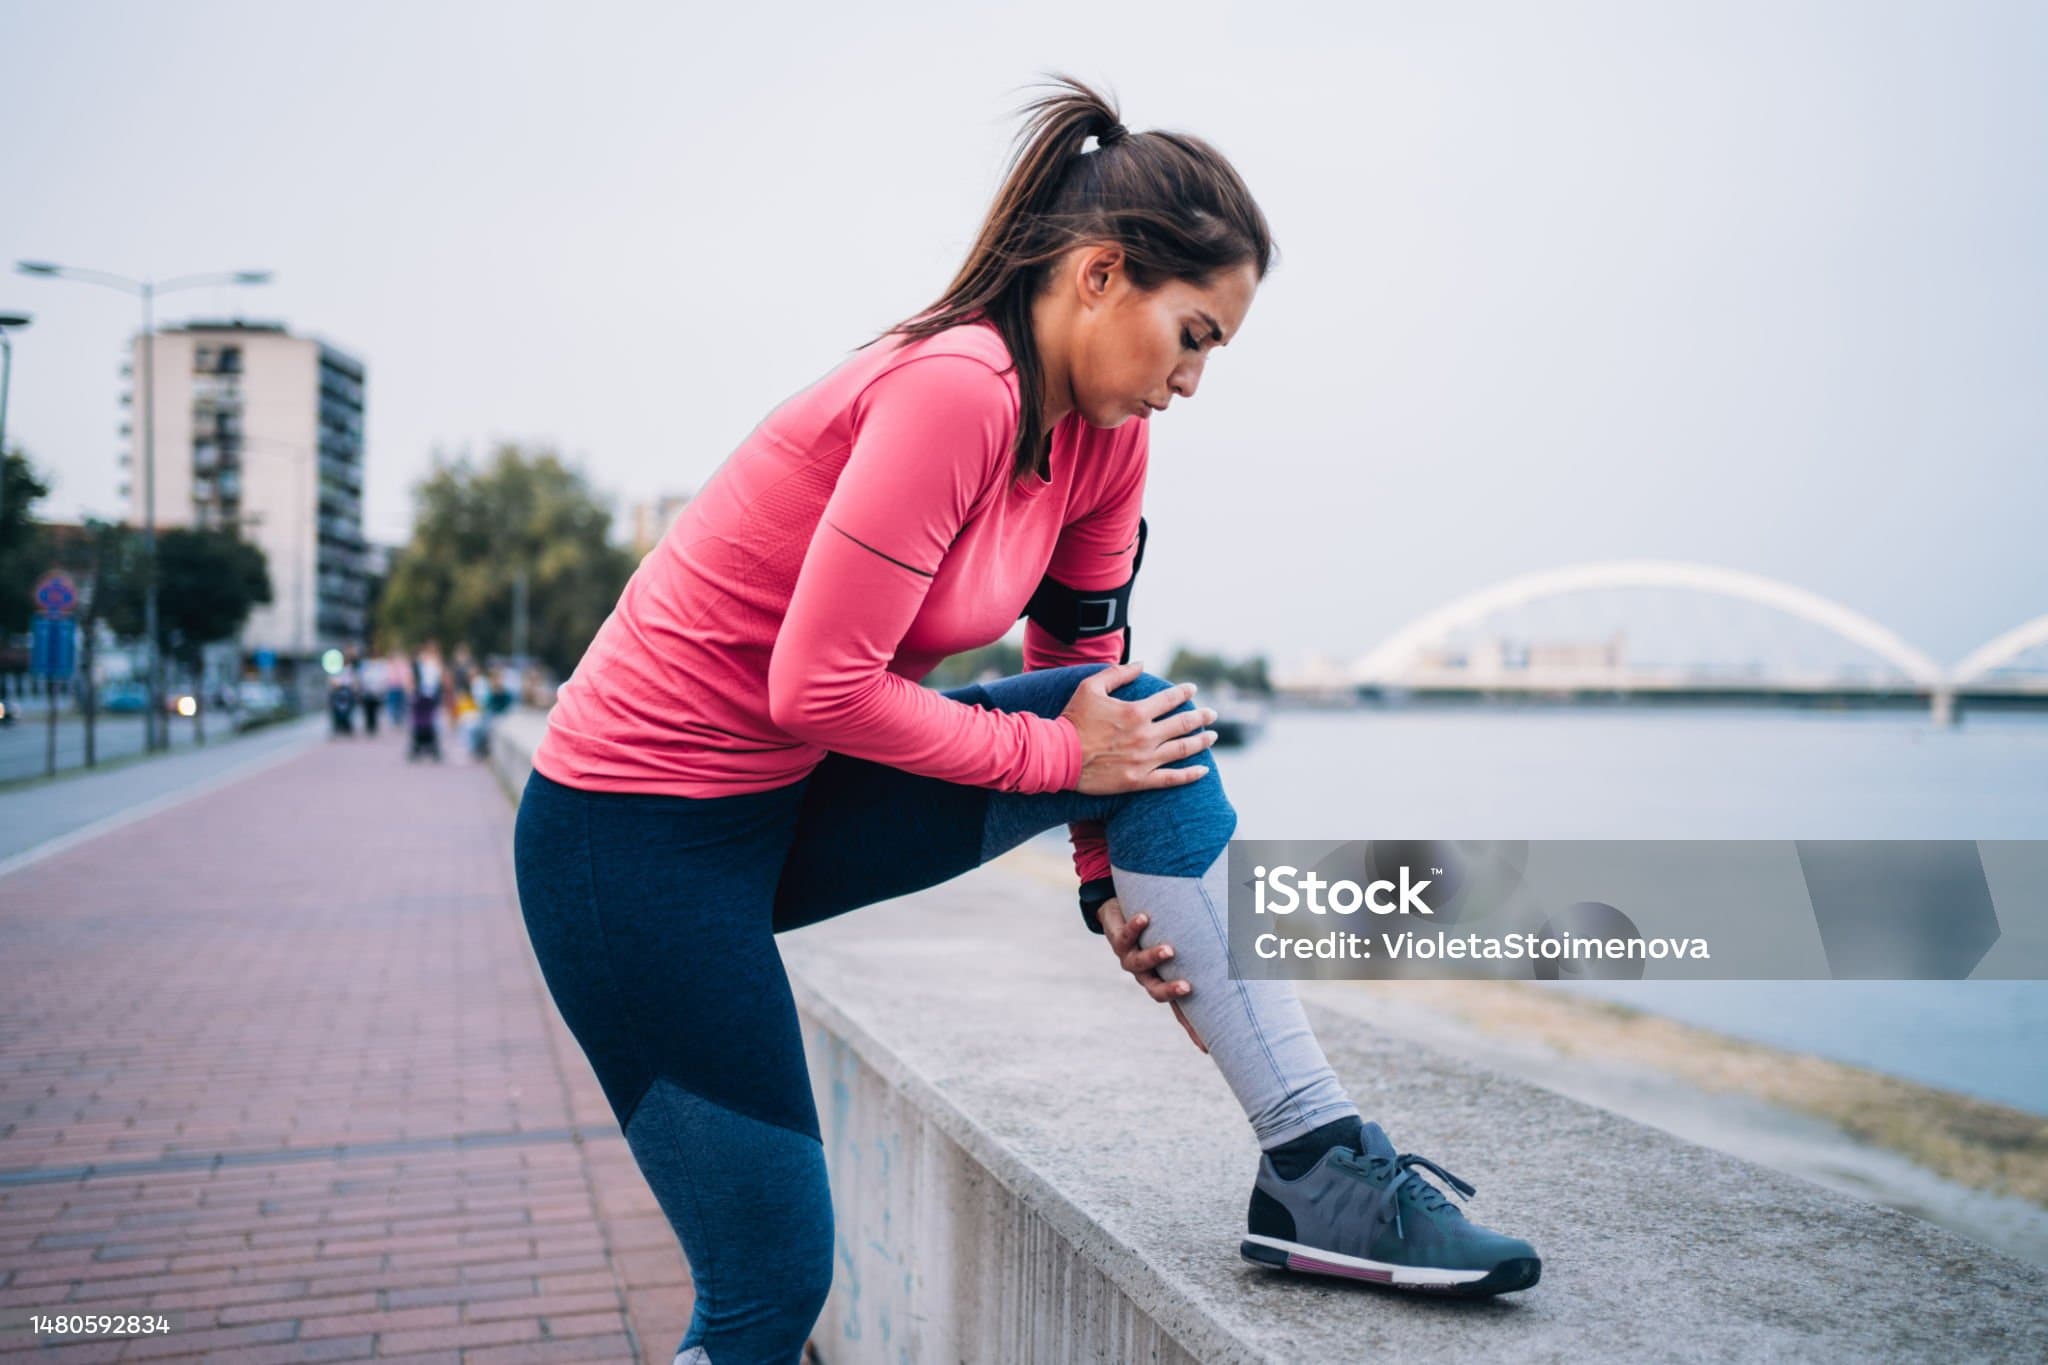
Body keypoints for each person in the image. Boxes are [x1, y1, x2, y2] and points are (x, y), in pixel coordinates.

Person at [512, 77, 1539, 1364]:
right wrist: (1063, 758)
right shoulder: (956, 389)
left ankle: (1315, 1172)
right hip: (630, 848)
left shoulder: (1103, 437)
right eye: (1194, 334)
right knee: (771, 1288)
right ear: (1101, 275)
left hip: (785, 807)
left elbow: (1085, 669)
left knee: (1149, 717)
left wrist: (1105, 878)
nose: (1193, 379)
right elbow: (815, 688)